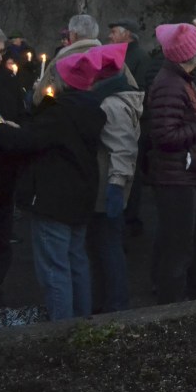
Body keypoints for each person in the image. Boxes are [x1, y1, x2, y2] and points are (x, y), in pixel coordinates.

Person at [0, 45, 118, 320]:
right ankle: (80, 323)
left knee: (54, 269)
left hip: (54, 200)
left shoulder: (60, 113)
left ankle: (62, 330)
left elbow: (28, 140)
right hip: (79, 195)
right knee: (76, 263)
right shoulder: (89, 108)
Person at [147, 24, 196, 304]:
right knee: (178, 249)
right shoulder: (170, 84)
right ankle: (171, 311)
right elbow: (165, 136)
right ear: (189, 53)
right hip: (177, 178)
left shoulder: (182, 80)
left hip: (190, 174)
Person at [86, 43, 144, 313]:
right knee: (103, 249)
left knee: (108, 249)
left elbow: (123, 147)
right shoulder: (112, 98)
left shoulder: (111, 103)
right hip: (104, 185)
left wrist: (115, 186)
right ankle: (106, 302)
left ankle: (115, 306)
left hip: (106, 187)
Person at [0, 24, 26, 311]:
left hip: (3, 169)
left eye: (0, 53)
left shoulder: (8, 80)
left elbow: (19, 115)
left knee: (1, 230)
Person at [33, 14, 102, 105]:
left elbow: (40, 97)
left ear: (74, 35)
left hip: (68, 114)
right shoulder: (112, 59)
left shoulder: (62, 60)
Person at [107, 19, 150, 89]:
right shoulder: (111, 54)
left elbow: (140, 89)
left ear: (126, 34)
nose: (109, 36)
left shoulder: (141, 58)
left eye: (113, 32)